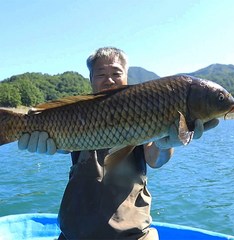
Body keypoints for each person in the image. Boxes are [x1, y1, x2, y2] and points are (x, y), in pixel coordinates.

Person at [18, 47, 219, 239]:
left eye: (116, 72)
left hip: (132, 233)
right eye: (101, 74)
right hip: (75, 231)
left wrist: (165, 145)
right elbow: (62, 144)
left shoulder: (143, 106)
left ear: (126, 76)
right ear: (91, 80)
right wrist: (47, 145)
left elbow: (155, 159)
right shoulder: (79, 111)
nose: (109, 80)